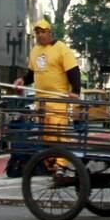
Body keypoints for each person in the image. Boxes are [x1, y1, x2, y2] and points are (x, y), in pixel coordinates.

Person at [13, 19, 81, 151]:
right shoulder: (34, 51)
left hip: (58, 100)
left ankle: (60, 161)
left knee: (57, 134)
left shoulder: (61, 48)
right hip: (40, 101)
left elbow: (73, 70)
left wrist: (76, 91)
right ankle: (47, 161)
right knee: (44, 136)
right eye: (37, 32)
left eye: (43, 32)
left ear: (50, 33)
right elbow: (32, 74)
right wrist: (23, 80)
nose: (40, 35)